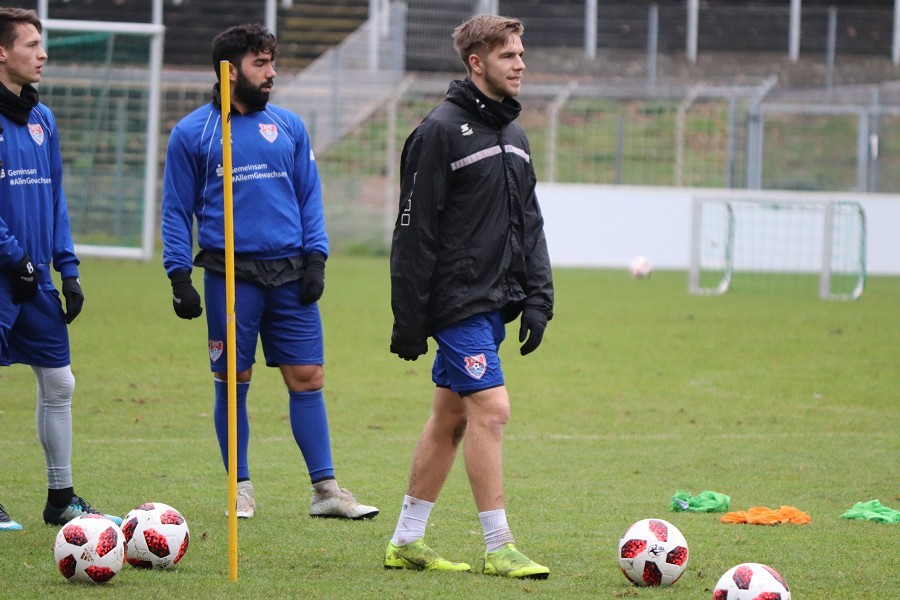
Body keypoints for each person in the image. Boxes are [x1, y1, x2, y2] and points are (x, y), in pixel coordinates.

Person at [161, 23, 377, 521]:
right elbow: (176, 211)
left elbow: (308, 196)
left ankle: (326, 492)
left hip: (291, 274)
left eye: (272, 62)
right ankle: (241, 489)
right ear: (230, 69)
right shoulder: (194, 133)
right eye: (261, 63)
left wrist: (317, 257)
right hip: (229, 277)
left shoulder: (289, 126)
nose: (272, 72)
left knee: (308, 376)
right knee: (233, 378)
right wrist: (178, 276)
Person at [384, 14, 553, 579]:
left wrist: (538, 296)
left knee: (450, 416)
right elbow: (413, 231)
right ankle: (499, 545)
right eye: (509, 56)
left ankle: (406, 540)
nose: (521, 64)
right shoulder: (438, 132)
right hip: (456, 302)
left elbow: (529, 222)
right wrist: (408, 317)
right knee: (492, 410)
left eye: (521, 54)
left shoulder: (515, 134)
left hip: (494, 300)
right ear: (477, 63)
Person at [0, 7, 120, 531]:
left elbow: (56, 202)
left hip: (36, 280)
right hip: (8, 273)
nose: (42, 53)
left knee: (59, 382)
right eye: (30, 44)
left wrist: (67, 268)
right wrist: (14, 256)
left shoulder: (42, 117)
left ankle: (60, 497)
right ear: (2, 52)